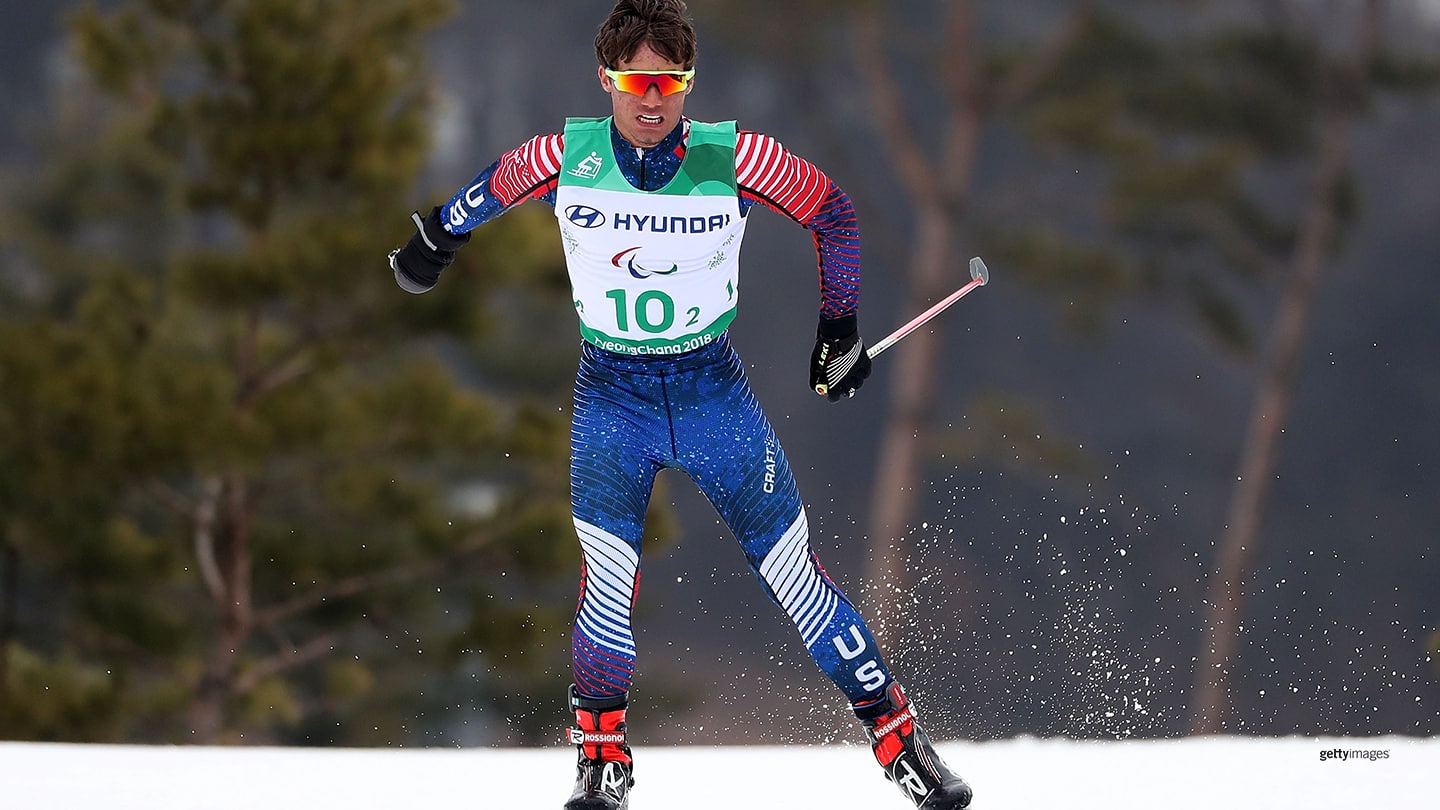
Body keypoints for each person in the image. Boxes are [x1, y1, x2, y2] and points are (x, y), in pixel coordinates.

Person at [388, 2, 973, 808]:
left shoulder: (732, 157)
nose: (653, 99)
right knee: (607, 581)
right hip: (613, 401)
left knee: (795, 579)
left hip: (712, 395)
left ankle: (903, 744)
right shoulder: (567, 154)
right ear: (608, 80)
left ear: (688, 83)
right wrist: (433, 241)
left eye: (669, 82)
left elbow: (830, 210)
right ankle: (602, 760)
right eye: (636, 82)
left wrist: (837, 331)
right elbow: (489, 190)